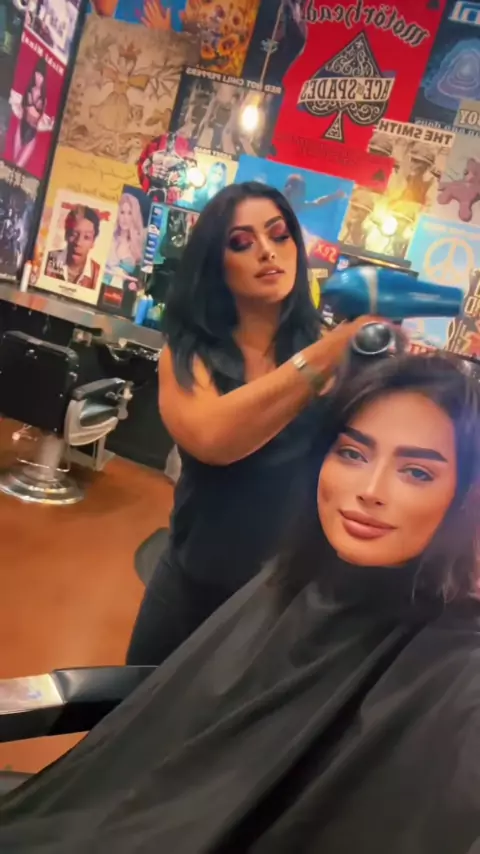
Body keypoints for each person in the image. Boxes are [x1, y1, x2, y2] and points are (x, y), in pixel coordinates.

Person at [2, 353, 480, 853]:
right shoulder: (294, 578)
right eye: (353, 454)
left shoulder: (455, 672)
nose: (370, 490)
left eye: (417, 472)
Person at [126, 181, 375, 666]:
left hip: (282, 602)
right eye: (242, 242)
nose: (267, 251)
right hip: (191, 588)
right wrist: (324, 356)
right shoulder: (189, 355)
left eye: (279, 235)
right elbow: (212, 438)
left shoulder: (336, 351)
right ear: (216, 264)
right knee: (135, 709)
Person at [45, 205, 101, 289]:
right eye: (74, 234)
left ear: (93, 242)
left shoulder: (97, 273)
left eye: (86, 237)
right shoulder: (46, 261)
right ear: (66, 235)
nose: (78, 243)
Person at [106, 192, 145, 278]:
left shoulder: (137, 243)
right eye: (122, 212)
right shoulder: (109, 237)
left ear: (134, 216)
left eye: (130, 213)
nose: (125, 218)